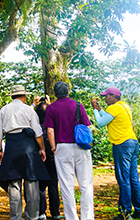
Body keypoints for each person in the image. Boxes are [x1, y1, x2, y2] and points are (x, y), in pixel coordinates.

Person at [0, 84, 50, 220]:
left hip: (12, 148)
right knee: (32, 182)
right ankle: (32, 217)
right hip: (28, 148)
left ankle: (16, 217)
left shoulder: (4, 110)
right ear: (23, 96)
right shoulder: (29, 110)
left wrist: (0, 150)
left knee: (14, 184)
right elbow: (38, 133)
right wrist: (42, 149)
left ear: (12, 96)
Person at [91, 87, 140, 220]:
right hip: (132, 142)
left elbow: (101, 122)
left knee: (123, 178)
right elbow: (109, 117)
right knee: (133, 178)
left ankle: (125, 212)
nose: (105, 99)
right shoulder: (124, 106)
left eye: (107, 96)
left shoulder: (114, 108)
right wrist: (99, 109)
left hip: (122, 144)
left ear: (114, 96)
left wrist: (94, 109)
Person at [43, 82, 94, 220]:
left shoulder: (51, 108)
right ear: (68, 92)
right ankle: (87, 217)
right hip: (81, 147)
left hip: (62, 147)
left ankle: (72, 217)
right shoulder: (78, 105)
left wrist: (54, 148)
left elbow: (50, 130)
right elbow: (87, 127)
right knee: (86, 184)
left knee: (67, 185)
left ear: (54, 94)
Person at [34, 97, 62, 220]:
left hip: (39, 159)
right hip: (52, 157)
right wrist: (50, 105)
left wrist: (34, 104)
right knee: (53, 184)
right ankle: (55, 212)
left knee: (40, 186)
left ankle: (41, 212)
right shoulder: (53, 126)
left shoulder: (35, 128)